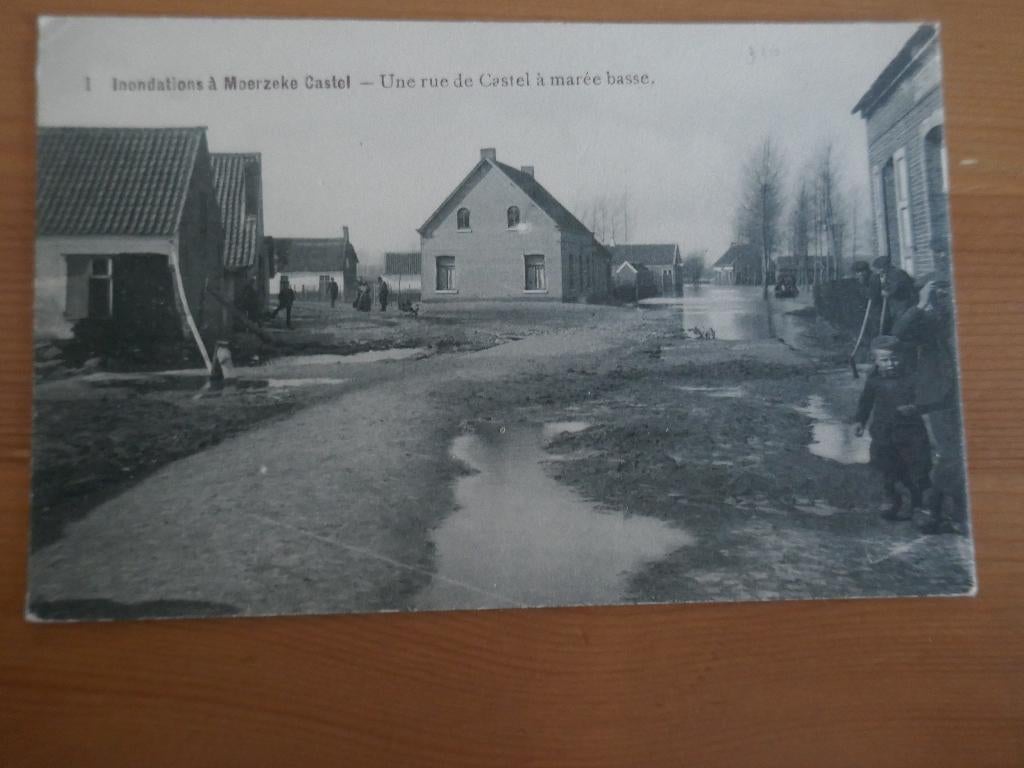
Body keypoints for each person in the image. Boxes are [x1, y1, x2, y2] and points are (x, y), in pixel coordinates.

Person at [891, 280, 967, 533]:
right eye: (941, 294)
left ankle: (944, 511)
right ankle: (940, 511)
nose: (948, 298)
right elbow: (899, 332)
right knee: (953, 454)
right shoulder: (932, 323)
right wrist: (922, 304)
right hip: (942, 399)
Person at [854, 335, 933, 522]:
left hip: (911, 433)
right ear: (875, 360)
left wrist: (916, 407)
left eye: (894, 359)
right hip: (883, 432)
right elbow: (866, 402)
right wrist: (859, 421)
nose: (890, 364)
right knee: (885, 466)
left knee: (917, 468)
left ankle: (920, 506)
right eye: (885, 360)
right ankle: (891, 498)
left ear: (902, 357)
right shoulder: (874, 381)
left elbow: (926, 398)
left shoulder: (912, 378)